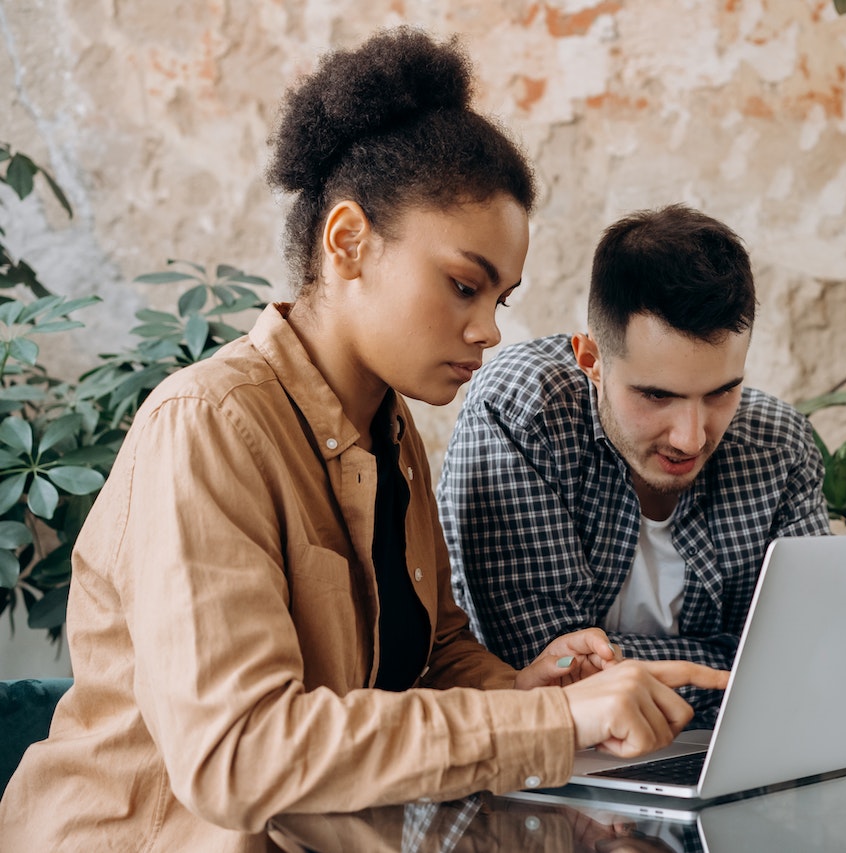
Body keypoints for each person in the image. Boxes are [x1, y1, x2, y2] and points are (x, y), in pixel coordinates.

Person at [0, 29, 726, 851]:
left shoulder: (391, 431)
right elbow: (238, 753)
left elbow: (431, 655)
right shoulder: (205, 427)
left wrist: (535, 686)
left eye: (502, 297)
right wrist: (548, 723)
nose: (489, 330)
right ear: (347, 242)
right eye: (463, 285)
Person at [437, 204, 832, 726]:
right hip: (544, 783)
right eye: (655, 395)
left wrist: (621, 670)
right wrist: (742, 667)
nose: (691, 437)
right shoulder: (521, 410)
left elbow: (825, 668)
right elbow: (542, 669)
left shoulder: (780, 447)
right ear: (591, 360)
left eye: (722, 392)